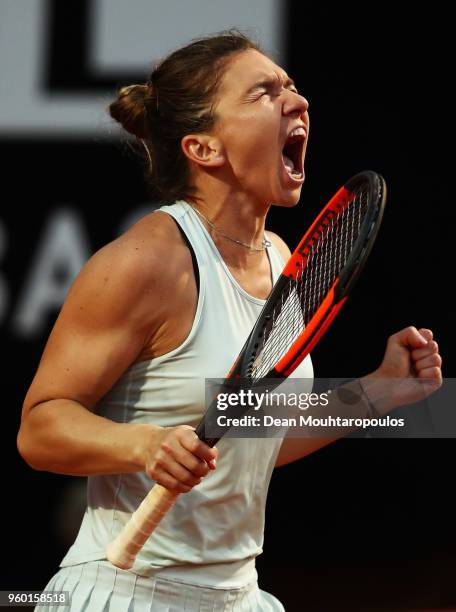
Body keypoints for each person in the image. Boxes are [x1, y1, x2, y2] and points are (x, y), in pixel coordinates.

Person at [17, 31, 442, 611]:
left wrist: (378, 391)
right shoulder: (148, 261)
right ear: (204, 149)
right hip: (126, 593)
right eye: (264, 93)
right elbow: (39, 428)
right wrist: (145, 445)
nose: (299, 102)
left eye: (292, 87)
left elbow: (255, 435)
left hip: (237, 596)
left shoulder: (283, 261)